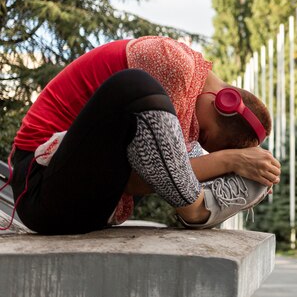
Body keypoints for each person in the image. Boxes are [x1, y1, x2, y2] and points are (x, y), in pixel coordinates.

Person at [7, 36, 281, 234]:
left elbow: (143, 179)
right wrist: (229, 162)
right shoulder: (172, 62)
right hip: (41, 187)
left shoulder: (188, 115)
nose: (198, 138)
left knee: (171, 160)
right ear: (223, 100)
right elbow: (148, 178)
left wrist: (247, 171)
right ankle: (198, 208)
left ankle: (206, 202)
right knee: (134, 85)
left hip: (90, 206)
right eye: (205, 134)